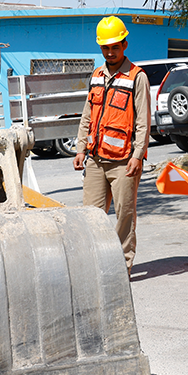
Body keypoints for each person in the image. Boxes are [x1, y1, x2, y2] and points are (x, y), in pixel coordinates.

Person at [74, 15, 150, 272]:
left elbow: (143, 121)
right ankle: (95, 267)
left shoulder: (137, 77)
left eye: (115, 47)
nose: (110, 52)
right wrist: (80, 149)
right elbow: (87, 115)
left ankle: (122, 267)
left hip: (124, 162)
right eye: (105, 48)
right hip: (95, 160)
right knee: (90, 217)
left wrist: (137, 155)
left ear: (124, 44)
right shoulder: (97, 75)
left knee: (124, 217)